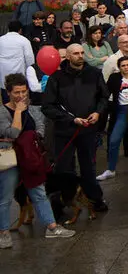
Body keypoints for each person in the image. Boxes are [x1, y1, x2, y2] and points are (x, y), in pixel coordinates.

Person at [0, 73, 78, 249]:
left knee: (38, 192)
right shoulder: (2, 111)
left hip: (30, 157)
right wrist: (18, 112)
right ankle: (3, 232)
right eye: (16, 92)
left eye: (24, 91)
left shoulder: (32, 108)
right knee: (5, 197)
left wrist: (33, 138)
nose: (21, 96)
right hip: (10, 157)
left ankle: (51, 226)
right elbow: (12, 133)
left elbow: (40, 126)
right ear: (8, 92)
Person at [40, 43, 109, 213]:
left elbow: (104, 97)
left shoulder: (94, 73)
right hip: (65, 131)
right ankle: (61, 203)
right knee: (63, 168)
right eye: (76, 53)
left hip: (88, 129)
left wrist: (98, 113)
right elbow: (47, 106)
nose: (80, 56)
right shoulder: (56, 78)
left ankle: (94, 198)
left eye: (82, 53)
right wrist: (71, 119)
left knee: (88, 166)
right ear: (68, 56)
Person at [100, 56, 128, 179]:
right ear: (119, 67)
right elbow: (106, 93)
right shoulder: (114, 78)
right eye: (123, 65)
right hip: (121, 111)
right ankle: (111, 169)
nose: (126, 67)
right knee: (114, 140)